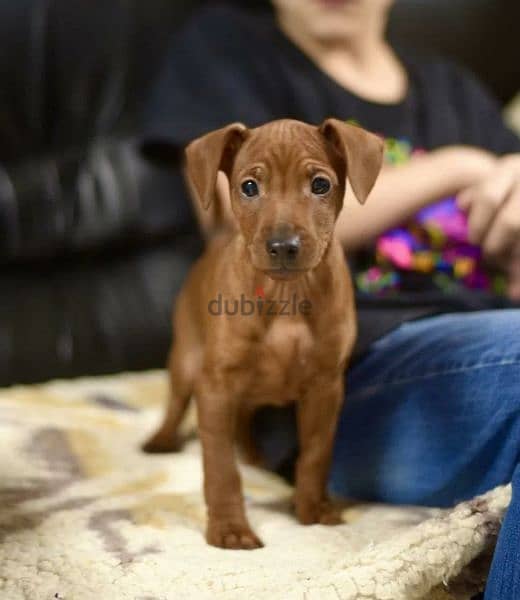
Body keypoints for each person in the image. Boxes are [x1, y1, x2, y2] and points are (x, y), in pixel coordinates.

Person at [140, 1, 520, 597]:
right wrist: (458, 167)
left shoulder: (455, 89)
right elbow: (225, 232)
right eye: (253, 187)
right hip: (380, 350)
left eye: (320, 185)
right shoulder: (228, 47)